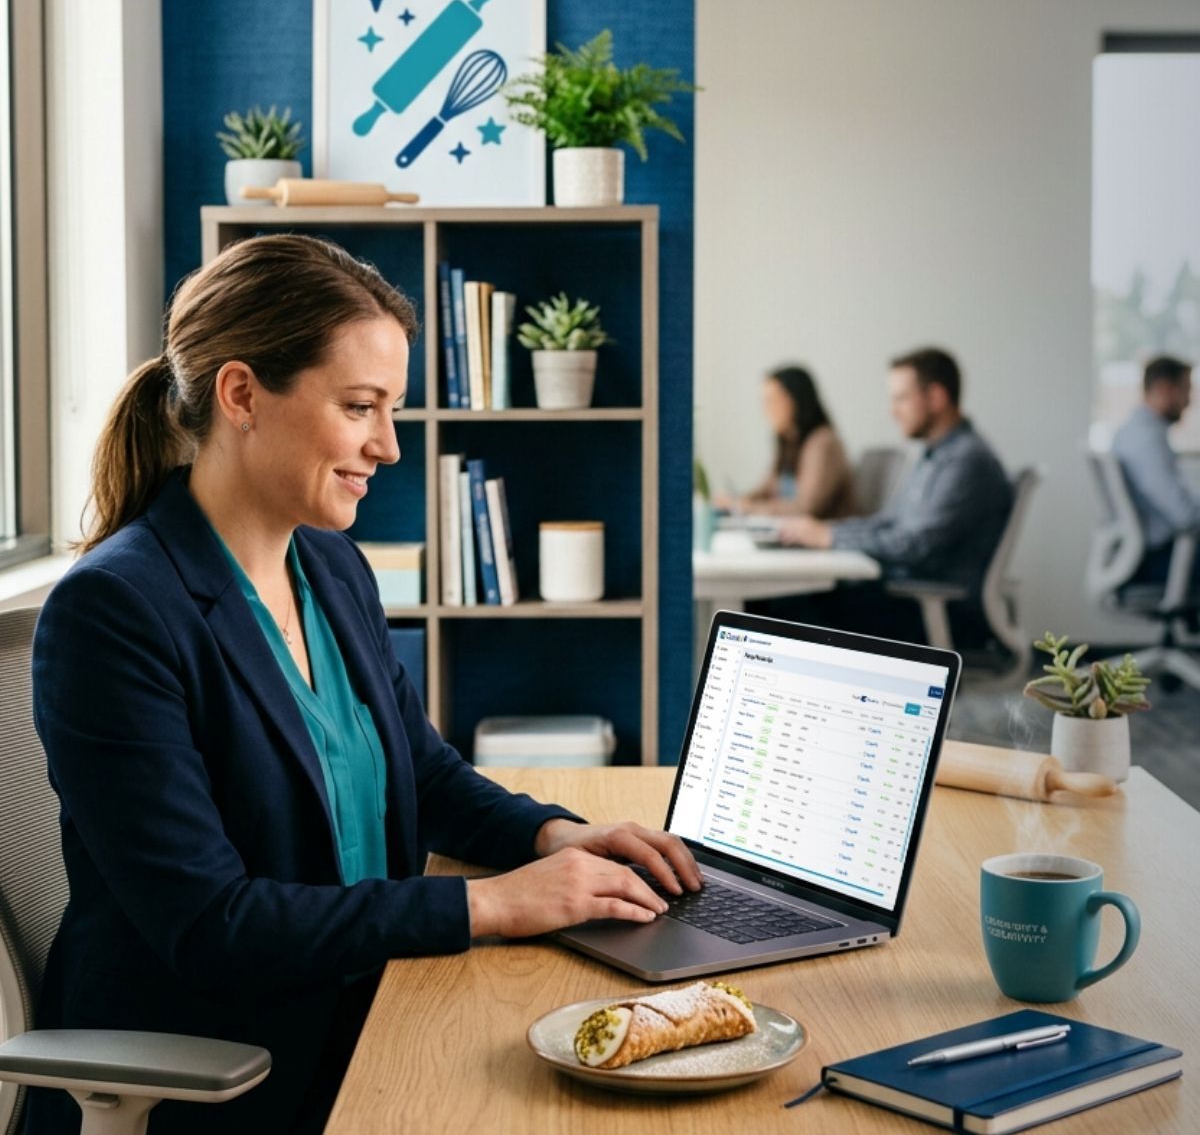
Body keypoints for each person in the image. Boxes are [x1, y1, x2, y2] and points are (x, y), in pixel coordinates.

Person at [27, 235, 700, 1135]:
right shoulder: (115, 611)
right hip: (226, 1068)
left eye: (392, 410)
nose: (387, 446)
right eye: (360, 407)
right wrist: (493, 904)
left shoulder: (332, 566)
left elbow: (419, 775)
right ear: (241, 396)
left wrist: (558, 834)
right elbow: (212, 925)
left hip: (375, 1006)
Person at [767, 348, 1013, 645]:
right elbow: (887, 522)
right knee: (783, 600)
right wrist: (828, 532)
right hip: (906, 594)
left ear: (935, 397)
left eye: (901, 398)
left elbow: (915, 545)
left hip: (934, 610)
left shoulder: (966, 461)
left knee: (778, 607)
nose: (892, 411)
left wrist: (828, 538)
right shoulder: (934, 456)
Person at [717, 365, 856, 519]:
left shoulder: (822, 442)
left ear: (796, 400)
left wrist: (747, 507)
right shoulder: (789, 443)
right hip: (794, 534)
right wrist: (736, 501)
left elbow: (806, 508)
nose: (766, 410)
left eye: (772, 401)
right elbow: (765, 489)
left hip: (826, 536)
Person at [1111, 355, 1200, 587]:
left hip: (1154, 554)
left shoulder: (1133, 432)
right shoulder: (1146, 440)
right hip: (1160, 559)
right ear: (1163, 388)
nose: (1190, 401)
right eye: (1186, 390)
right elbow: (1185, 516)